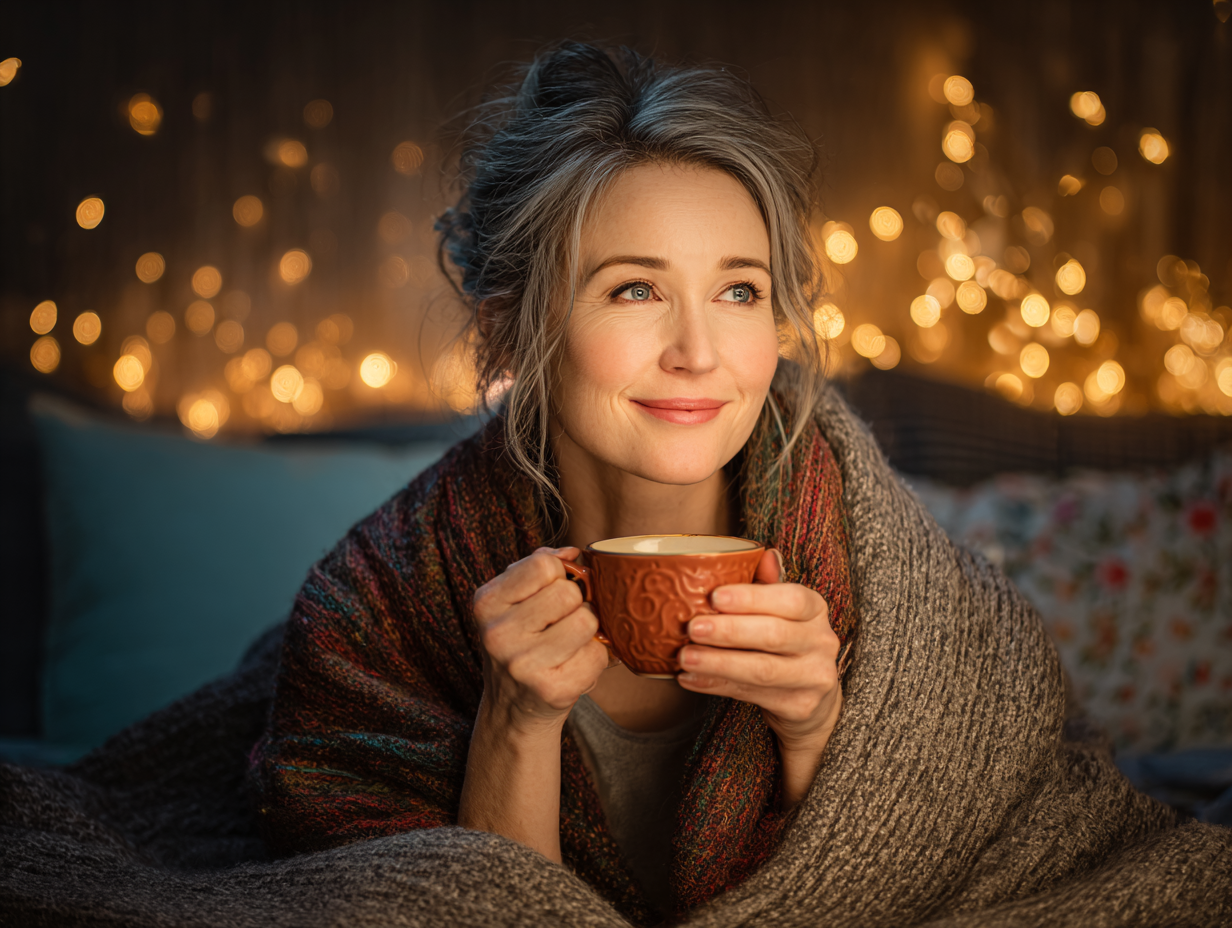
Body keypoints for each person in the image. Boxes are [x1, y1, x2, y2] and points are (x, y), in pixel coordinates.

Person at [247, 41, 1230, 928]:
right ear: (511, 329)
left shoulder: (875, 563)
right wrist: (513, 721)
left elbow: (993, 833)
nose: (698, 352)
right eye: (634, 289)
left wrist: (819, 734)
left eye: (738, 290)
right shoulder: (384, 596)